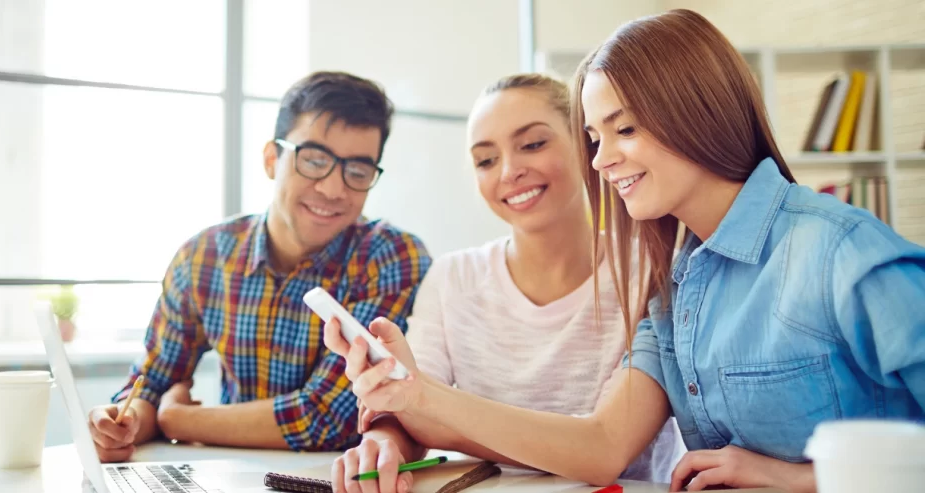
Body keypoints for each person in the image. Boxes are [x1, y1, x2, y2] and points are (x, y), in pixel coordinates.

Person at [325, 9, 925, 493]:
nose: (601, 159)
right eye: (594, 136)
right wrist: (413, 394)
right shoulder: (675, 285)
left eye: (625, 129)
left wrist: (804, 480)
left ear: (698, 111)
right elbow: (602, 447)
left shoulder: (836, 250)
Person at [329, 74, 685, 493]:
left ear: (586, 143)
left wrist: (430, 419)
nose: (510, 171)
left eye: (533, 144)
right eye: (485, 160)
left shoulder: (653, 270)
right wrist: (384, 440)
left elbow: (604, 451)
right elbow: (412, 410)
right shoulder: (451, 278)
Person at [86, 71, 432, 462]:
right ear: (272, 159)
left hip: (338, 479)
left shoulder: (389, 257)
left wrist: (180, 421)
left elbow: (327, 418)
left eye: (357, 171)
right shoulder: (204, 257)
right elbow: (150, 385)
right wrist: (122, 422)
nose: (334, 190)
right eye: (314, 160)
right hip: (227, 475)